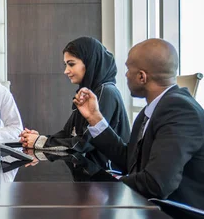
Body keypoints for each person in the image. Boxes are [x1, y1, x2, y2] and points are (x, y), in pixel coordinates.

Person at [73, 38, 204, 219]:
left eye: (128, 69)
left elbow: (156, 184)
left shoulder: (180, 111)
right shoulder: (154, 109)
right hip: (158, 215)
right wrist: (95, 119)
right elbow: (130, 162)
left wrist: (102, 189)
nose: (125, 75)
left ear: (142, 76)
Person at [20, 37, 130, 171]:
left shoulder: (105, 92)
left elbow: (83, 144)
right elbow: (69, 135)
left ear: (90, 63)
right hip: (90, 175)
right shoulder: (90, 92)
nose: (66, 71)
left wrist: (40, 142)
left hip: (107, 180)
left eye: (71, 64)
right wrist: (38, 139)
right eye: (65, 65)